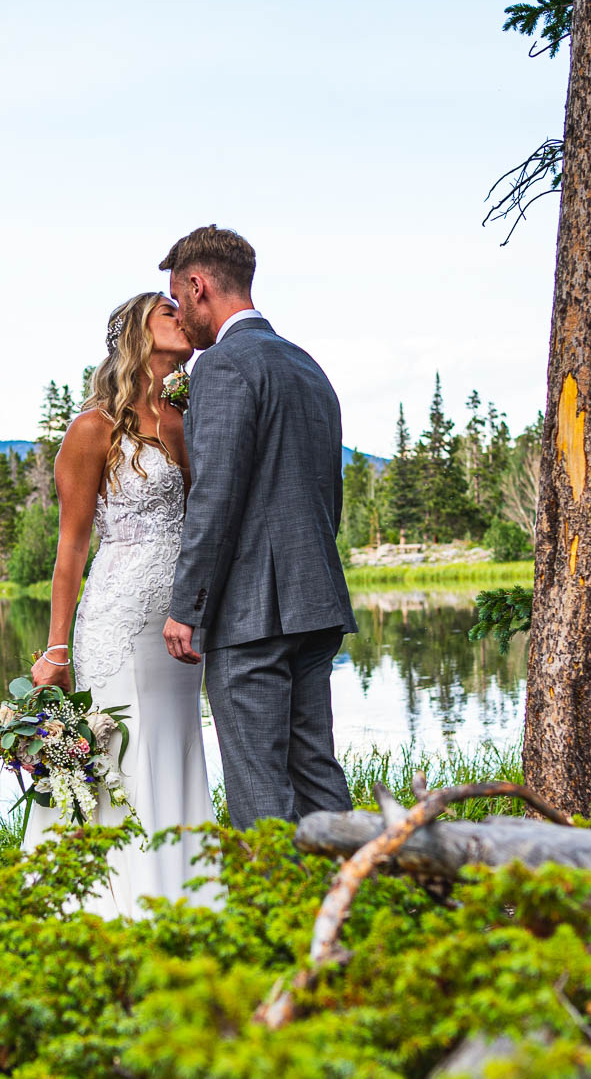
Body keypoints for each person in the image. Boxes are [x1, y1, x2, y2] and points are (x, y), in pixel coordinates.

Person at [25, 291, 221, 918]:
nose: (183, 317)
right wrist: (57, 649)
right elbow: (72, 547)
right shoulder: (93, 428)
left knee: (174, 745)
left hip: (179, 625)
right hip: (115, 622)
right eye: (170, 311)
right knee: (119, 754)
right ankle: (103, 905)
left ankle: (185, 897)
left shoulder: (186, 416)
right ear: (140, 332)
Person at [160, 225, 357, 829]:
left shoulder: (222, 367)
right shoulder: (307, 366)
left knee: (257, 786)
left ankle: (274, 917)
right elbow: (329, 489)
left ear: (198, 286)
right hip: (315, 602)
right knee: (317, 771)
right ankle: (356, 903)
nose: (181, 316)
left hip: (252, 617)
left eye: (177, 296)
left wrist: (188, 606)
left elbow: (214, 499)